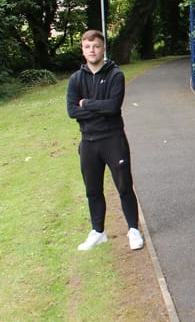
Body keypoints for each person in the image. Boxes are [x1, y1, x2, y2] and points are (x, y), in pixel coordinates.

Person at [66, 29, 144, 251]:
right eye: (88, 47)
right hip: (89, 142)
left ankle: (133, 229)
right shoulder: (76, 79)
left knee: (124, 186)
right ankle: (98, 231)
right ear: (82, 49)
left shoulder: (115, 75)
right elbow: (72, 111)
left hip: (112, 140)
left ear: (103, 48)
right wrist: (93, 107)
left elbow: (112, 107)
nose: (92, 50)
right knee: (92, 189)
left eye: (96, 46)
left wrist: (86, 104)